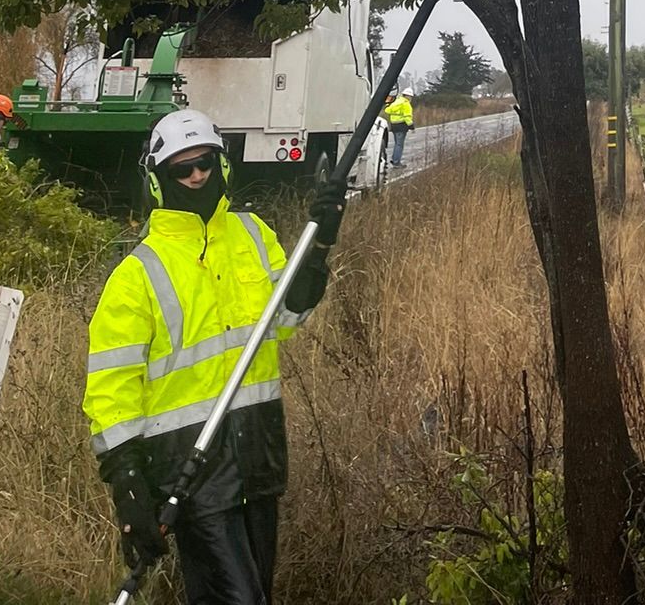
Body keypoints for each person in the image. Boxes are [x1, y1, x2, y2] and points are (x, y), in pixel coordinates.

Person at [84, 108, 347, 605]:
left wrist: (321, 243)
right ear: (160, 180)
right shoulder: (137, 274)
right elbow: (110, 385)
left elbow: (286, 317)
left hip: (258, 457)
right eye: (182, 169)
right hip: (188, 468)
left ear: (221, 165)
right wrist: (128, 482)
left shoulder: (253, 234)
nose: (196, 175)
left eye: (205, 162)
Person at [382, 87, 414, 167]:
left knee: (397, 144)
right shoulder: (406, 104)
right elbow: (407, 116)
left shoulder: (396, 101)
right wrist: (411, 126)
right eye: (410, 96)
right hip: (402, 126)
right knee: (399, 145)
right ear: (408, 96)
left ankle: (394, 159)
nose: (410, 98)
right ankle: (396, 162)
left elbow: (387, 110)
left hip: (394, 125)